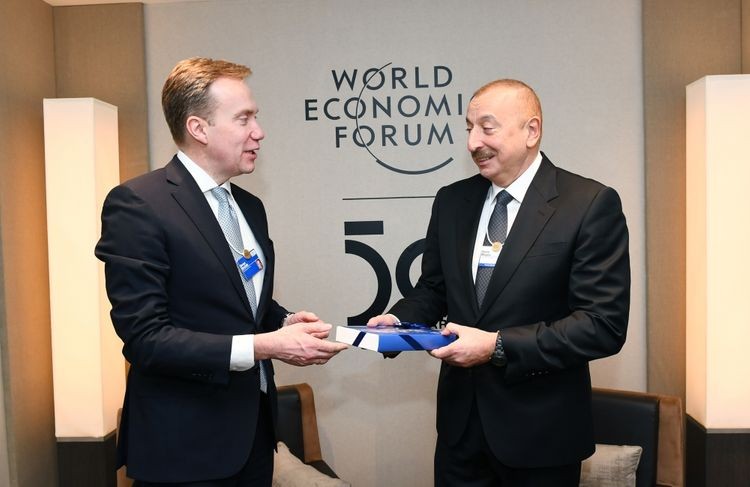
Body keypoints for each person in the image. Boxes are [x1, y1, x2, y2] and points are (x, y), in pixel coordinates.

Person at [95, 57, 347, 486]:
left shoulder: (249, 206)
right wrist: (265, 346)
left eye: (256, 117)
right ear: (199, 128)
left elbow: (237, 302)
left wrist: (282, 321)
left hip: (254, 440)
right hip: (184, 448)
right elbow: (146, 339)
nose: (259, 132)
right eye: (243, 119)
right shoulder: (139, 204)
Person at [368, 79, 630, 486]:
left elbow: (602, 326)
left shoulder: (588, 204)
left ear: (532, 130)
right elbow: (435, 289)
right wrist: (399, 321)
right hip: (460, 436)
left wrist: (497, 345)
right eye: (469, 128)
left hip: (542, 438)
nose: (473, 142)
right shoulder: (452, 200)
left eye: (486, 128)